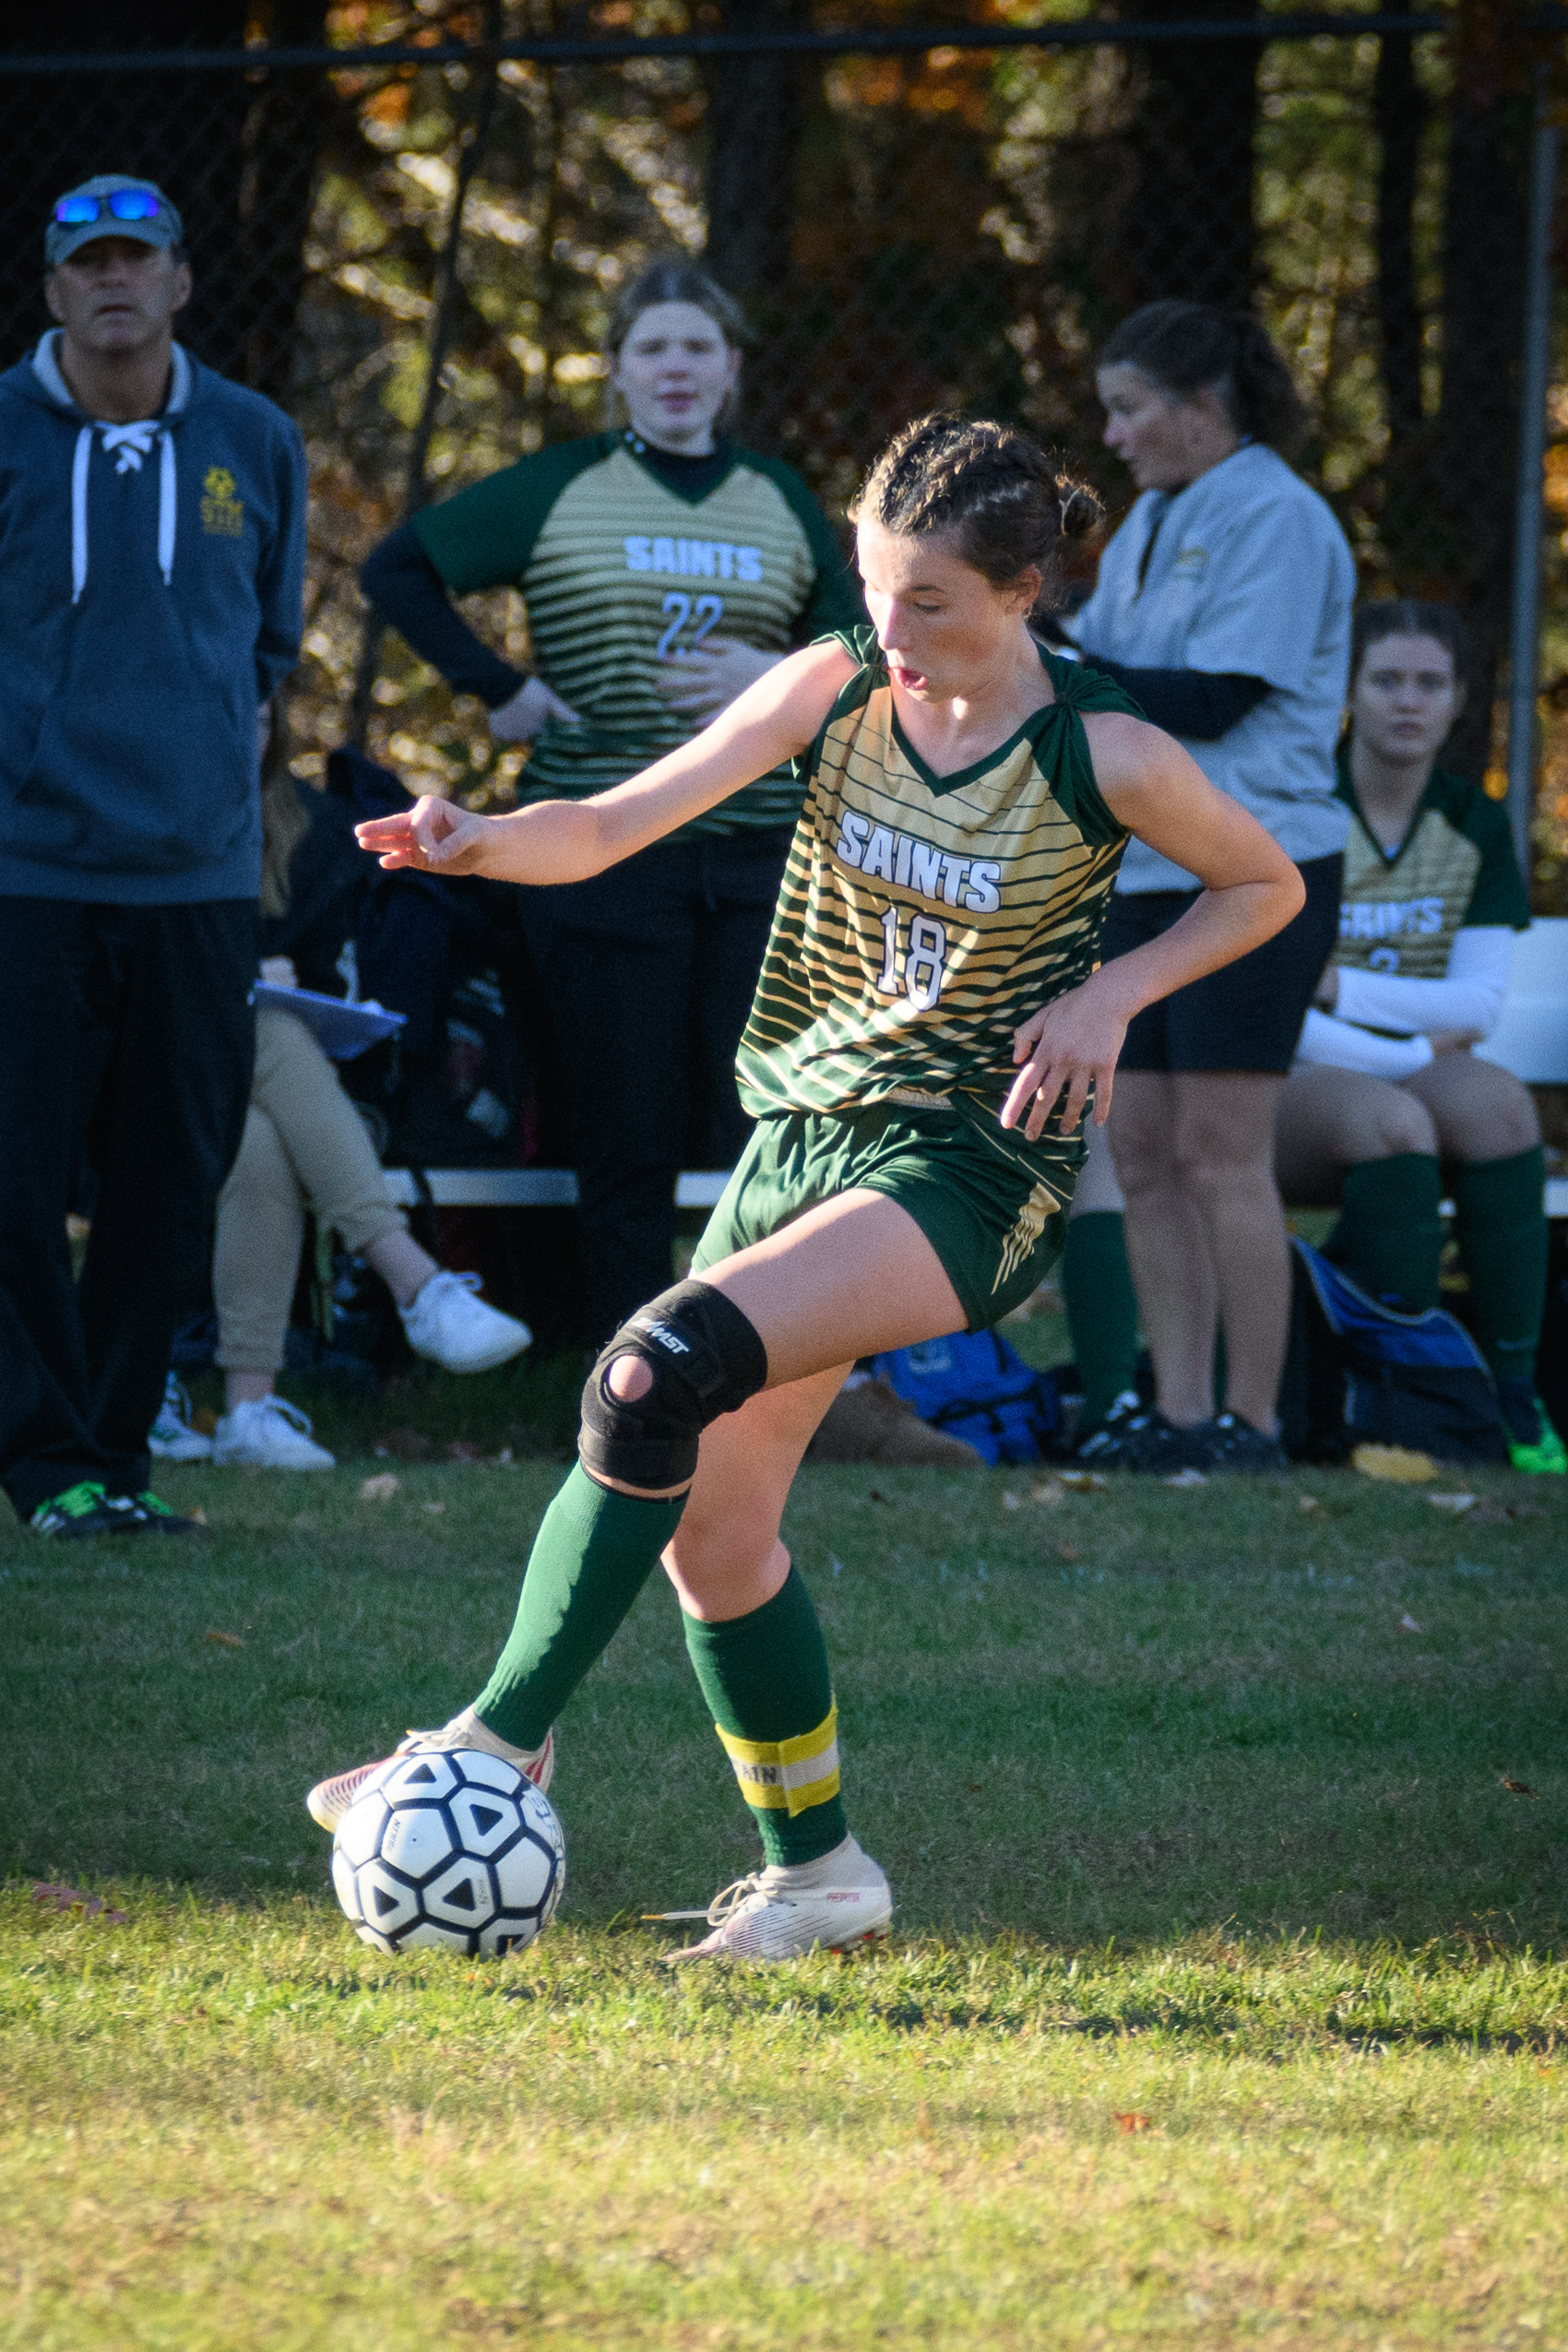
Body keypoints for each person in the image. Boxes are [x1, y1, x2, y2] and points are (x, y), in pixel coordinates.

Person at [307, 414, 1304, 1962]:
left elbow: (1267, 885)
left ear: (1027, 590)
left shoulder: (1105, 751)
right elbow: (619, 823)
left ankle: (493, 1744)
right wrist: (478, 838)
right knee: (713, 1535)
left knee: (651, 1371)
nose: (895, 635)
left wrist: (1115, 993)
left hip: (969, 1162)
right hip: (803, 1143)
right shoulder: (837, 685)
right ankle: (821, 1878)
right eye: (875, 588)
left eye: (935, 605)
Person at [361, 258, 864, 1345]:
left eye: (696, 348)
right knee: (624, 1135)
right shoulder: (560, 486)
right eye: (652, 348)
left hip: (759, 856)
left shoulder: (775, 494)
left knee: (760, 1128)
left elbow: (864, 646)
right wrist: (498, 688)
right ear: (618, 372)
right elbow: (396, 568)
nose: (674, 368)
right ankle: (625, 1396)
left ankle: (754, 1377)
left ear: (729, 370)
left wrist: (768, 679)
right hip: (594, 857)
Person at [0, 174, 305, 1538]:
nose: (115, 280)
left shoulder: (257, 437)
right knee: (12, 1180)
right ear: (54, 288)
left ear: (182, 280)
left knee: (168, 1183)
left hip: (196, 879)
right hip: (27, 870)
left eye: (140, 259)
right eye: (89, 263)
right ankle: (42, 1460)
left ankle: (115, 1460)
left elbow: (268, 654)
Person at [1064, 299, 1355, 1471]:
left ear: (1200, 406)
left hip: (1253, 868)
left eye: (1131, 409)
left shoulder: (1280, 517)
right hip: (1138, 865)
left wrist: (1048, 666)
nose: (1116, 434)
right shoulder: (1147, 516)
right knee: (1136, 1149)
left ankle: (1255, 1422)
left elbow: (1210, 698)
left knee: (1218, 1149)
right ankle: (1175, 1416)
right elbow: (1103, 672)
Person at [151, 717, 534, 1470]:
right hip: (131, 1068)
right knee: (266, 1031)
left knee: (264, 1131)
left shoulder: (307, 828)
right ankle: (413, 1281)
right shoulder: (147, 808)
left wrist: (282, 983)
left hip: (238, 1084)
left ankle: (247, 1411)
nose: (249, 728)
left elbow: (335, 978)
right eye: (236, 707)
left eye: (264, 713)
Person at [1275, 601, 1562, 1474]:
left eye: (1430, 683)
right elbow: (1284, 1007)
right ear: (1351, 694)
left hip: (1395, 1061)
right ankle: (1392, 1391)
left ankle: (1508, 1394)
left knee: (1503, 1112)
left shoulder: (1470, 821)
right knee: (1395, 1124)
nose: (1409, 701)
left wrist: (1342, 984)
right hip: (1293, 1073)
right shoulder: (1301, 808)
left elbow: (1473, 1005)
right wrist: (1409, 1047)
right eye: (1387, 680)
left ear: (1458, 701)